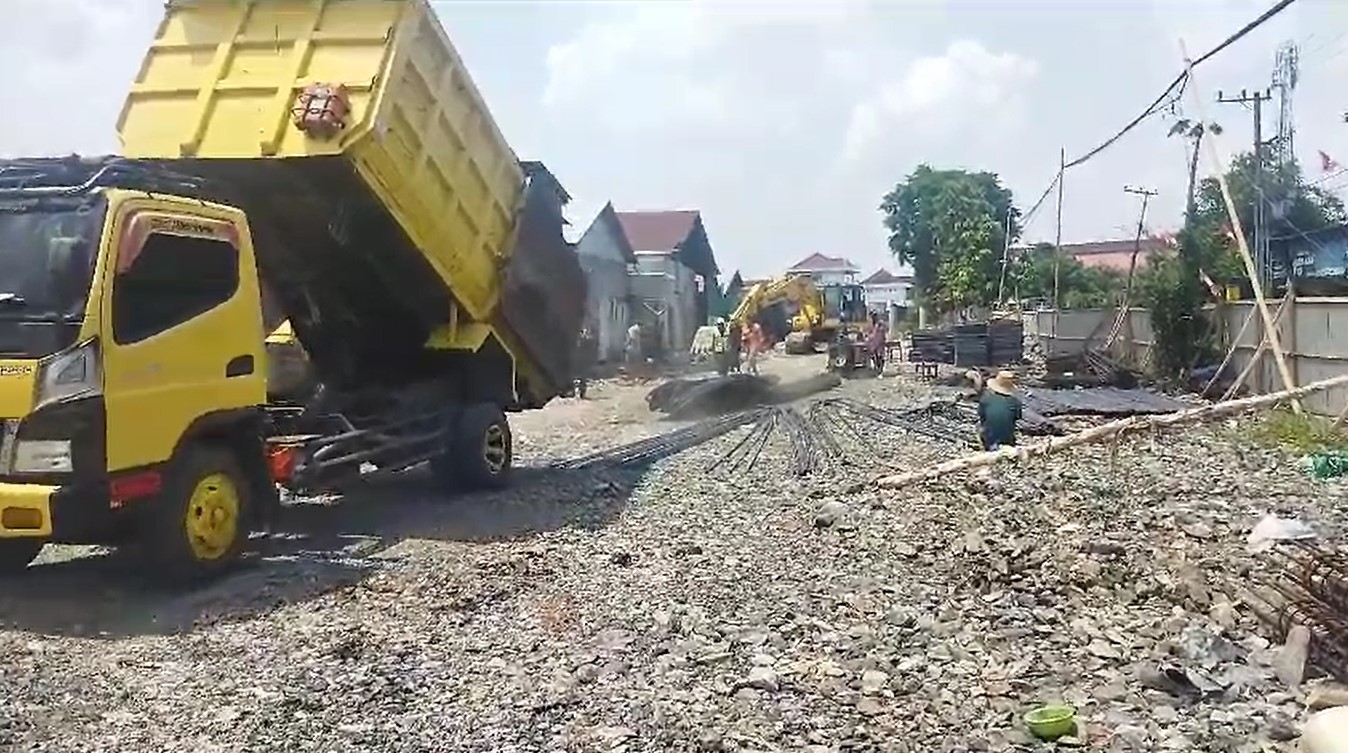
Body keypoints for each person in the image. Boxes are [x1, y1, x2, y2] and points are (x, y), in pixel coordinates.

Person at [977, 369, 1023, 450]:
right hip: (1008, 440)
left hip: (989, 439)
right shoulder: (1016, 402)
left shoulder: (986, 399)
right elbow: (1017, 417)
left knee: (979, 426)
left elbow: (982, 417)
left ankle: (987, 445)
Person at [574, 326, 597, 398]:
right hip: (581, 361)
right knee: (582, 378)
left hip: (581, 361)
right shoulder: (582, 340)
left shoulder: (580, 340)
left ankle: (581, 393)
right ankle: (581, 393)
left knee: (582, 378)